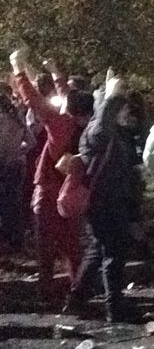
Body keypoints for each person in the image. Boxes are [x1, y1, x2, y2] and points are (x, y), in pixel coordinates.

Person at [9, 51, 94, 304]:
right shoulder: (88, 126)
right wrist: (56, 73)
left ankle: (46, 293)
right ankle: (78, 290)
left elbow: (33, 100)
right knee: (72, 245)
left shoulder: (61, 125)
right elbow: (70, 99)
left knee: (45, 247)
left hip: (48, 189)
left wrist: (19, 69)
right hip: (72, 190)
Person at [64, 75, 143, 322]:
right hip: (104, 203)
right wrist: (112, 95)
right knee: (113, 253)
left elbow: (138, 129)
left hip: (110, 201)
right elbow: (104, 123)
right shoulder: (98, 131)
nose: (126, 112)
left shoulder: (115, 133)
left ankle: (76, 299)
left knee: (98, 251)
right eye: (122, 108)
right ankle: (114, 307)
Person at [0, 89, 32, 252]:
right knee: (14, 203)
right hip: (17, 165)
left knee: (5, 203)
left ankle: (7, 238)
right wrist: (19, 151)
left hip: (4, 165)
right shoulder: (17, 119)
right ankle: (16, 239)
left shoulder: (2, 121)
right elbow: (31, 142)